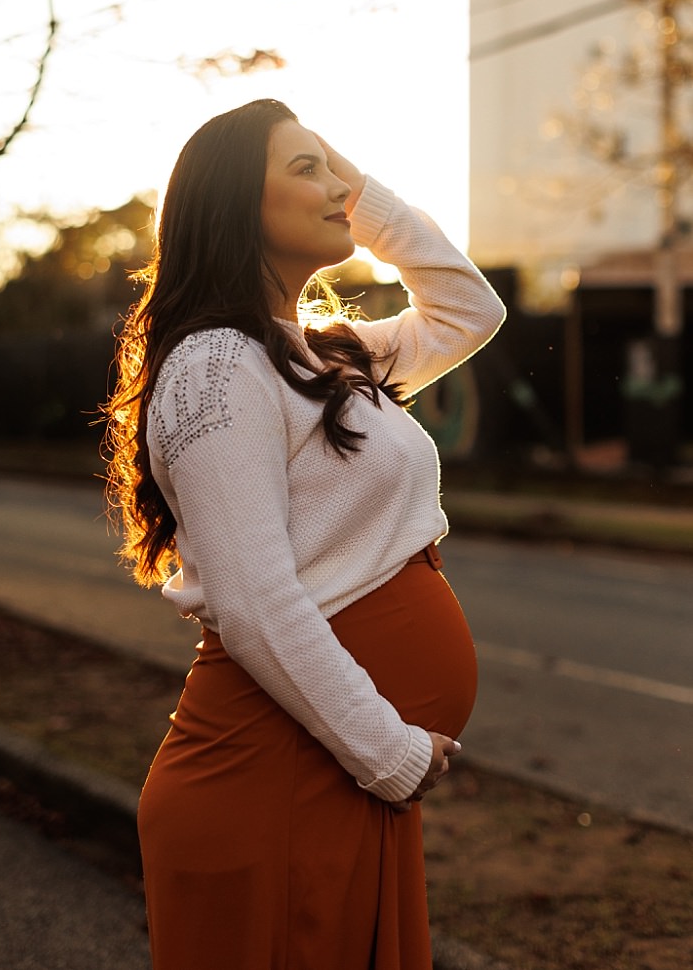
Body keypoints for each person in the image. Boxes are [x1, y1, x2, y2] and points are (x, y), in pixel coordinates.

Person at [104, 98, 505, 970]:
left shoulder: (322, 353)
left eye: (335, 170)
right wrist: (388, 752)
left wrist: (364, 198)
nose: (337, 190)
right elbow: (252, 599)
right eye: (305, 170)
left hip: (327, 766)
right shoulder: (216, 364)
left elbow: (468, 310)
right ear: (235, 205)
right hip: (274, 777)